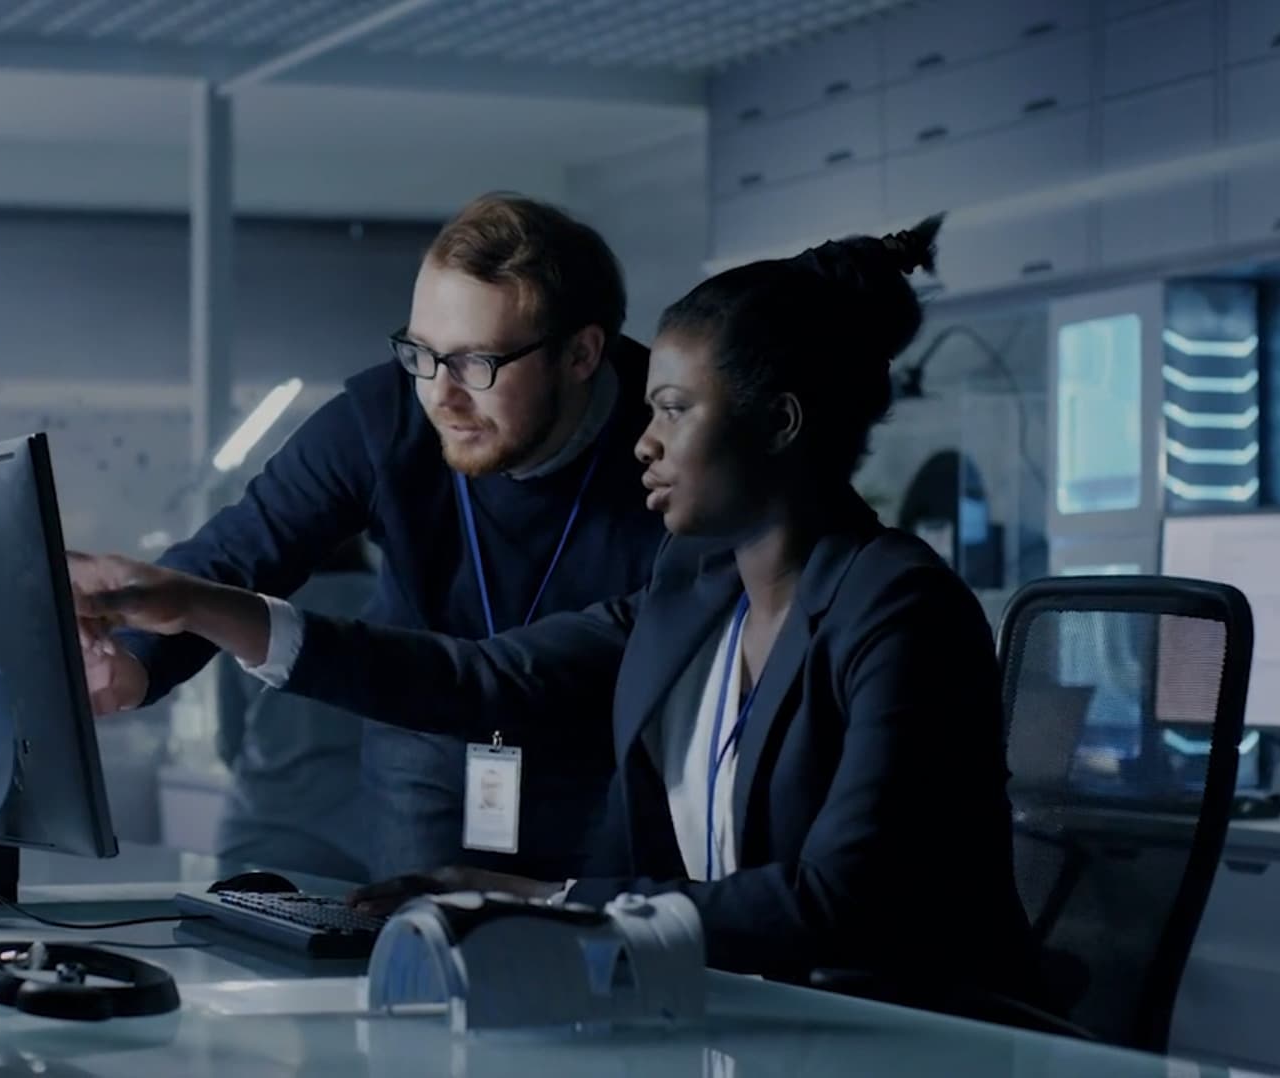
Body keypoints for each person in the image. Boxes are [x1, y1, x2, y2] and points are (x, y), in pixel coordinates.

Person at [72, 215, 1041, 997]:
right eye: (422, 354)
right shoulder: (701, 591)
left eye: (672, 410)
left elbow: (838, 901)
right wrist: (186, 609)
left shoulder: (894, 606)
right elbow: (483, 676)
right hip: (743, 992)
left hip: (892, 1023)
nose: (644, 443)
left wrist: (552, 898)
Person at [85, 193, 668, 882]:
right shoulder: (383, 414)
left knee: (607, 966)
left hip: (610, 745)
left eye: (475, 364)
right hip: (429, 740)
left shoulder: (669, 436)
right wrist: (134, 661)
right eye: (420, 353)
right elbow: (237, 552)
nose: (439, 396)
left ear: (581, 354)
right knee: (423, 958)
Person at [213, 536, 376, 881]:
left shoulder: (250, 609)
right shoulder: (388, 601)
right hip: (364, 840)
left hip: (259, 828)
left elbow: (229, 741)